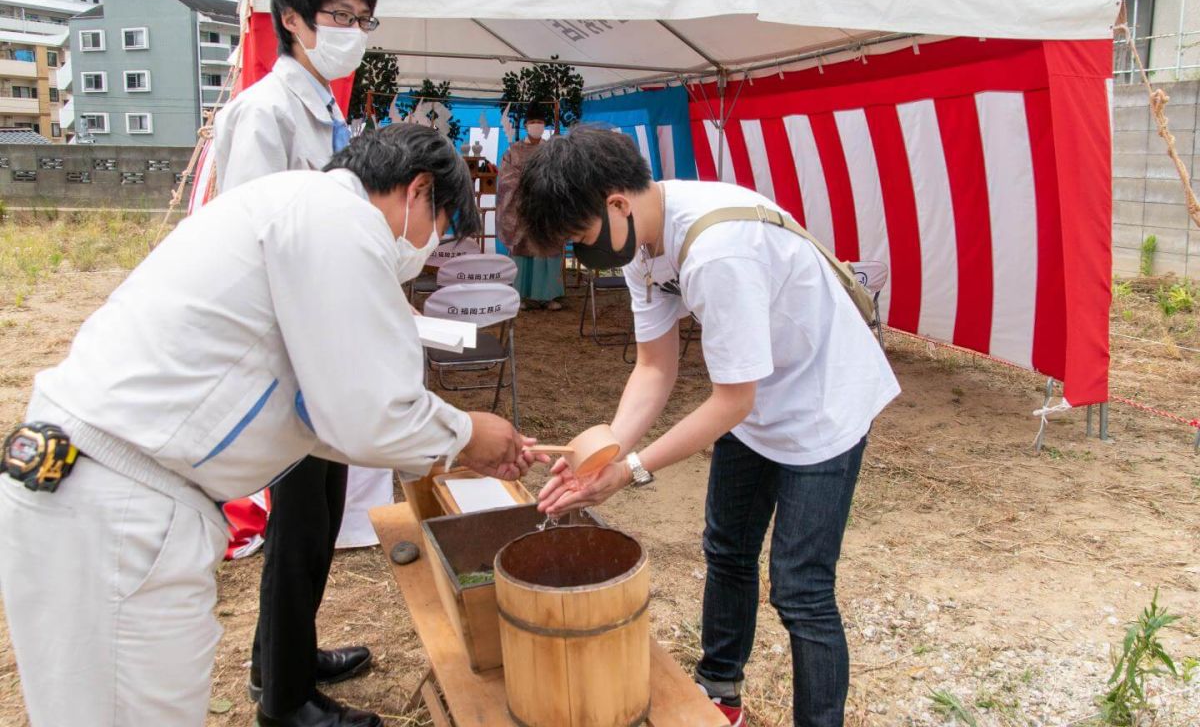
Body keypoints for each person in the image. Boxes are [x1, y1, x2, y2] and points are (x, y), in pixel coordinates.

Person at [0, 125, 544, 727]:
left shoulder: (302, 207)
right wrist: (467, 433)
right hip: (118, 503)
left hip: (106, 489)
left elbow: (326, 409)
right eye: (438, 226)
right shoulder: (339, 221)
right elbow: (370, 411)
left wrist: (452, 441)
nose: (429, 245)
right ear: (418, 190)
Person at [513, 127, 901, 727]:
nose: (581, 251)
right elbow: (654, 366)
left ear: (616, 202)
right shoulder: (641, 242)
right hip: (760, 398)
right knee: (727, 550)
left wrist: (632, 470)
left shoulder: (717, 247)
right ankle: (721, 691)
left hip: (823, 400)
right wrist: (603, 453)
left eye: (578, 237)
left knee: (801, 590)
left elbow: (730, 401)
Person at [211, 0, 395, 725]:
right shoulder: (267, 111)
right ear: (290, 18)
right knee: (300, 528)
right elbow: (255, 241)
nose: (353, 32)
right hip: (290, 356)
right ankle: (284, 701)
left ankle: (283, 655)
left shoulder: (324, 105)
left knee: (318, 518)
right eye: (338, 18)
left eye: (362, 20)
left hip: (323, 349)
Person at [496, 109, 565, 310]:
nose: (537, 125)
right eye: (533, 121)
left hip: (548, 207)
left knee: (547, 249)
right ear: (526, 126)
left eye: (540, 121)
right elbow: (506, 178)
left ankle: (548, 295)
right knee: (523, 249)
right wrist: (530, 183)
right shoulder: (514, 151)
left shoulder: (553, 149)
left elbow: (562, 173)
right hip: (522, 208)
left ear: (545, 125)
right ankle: (521, 295)